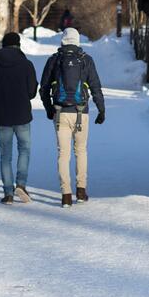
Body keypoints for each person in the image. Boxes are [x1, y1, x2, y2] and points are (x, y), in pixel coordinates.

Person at [40, 27, 105, 207]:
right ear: (77, 41)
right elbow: (95, 87)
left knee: (63, 154)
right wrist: (101, 110)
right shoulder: (86, 60)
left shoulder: (54, 60)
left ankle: (66, 195)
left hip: (60, 113)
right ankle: (81, 191)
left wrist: (48, 109)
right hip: (81, 112)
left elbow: (43, 88)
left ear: (62, 41)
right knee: (81, 151)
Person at [0, 32, 37, 205]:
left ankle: (8, 193)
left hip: (2, 115)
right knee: (24, 149)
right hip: (22, 115)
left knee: (5, 155)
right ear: (18, 45)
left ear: (4, 45)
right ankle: (21, 184)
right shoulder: (27, 65)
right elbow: (31, 92)